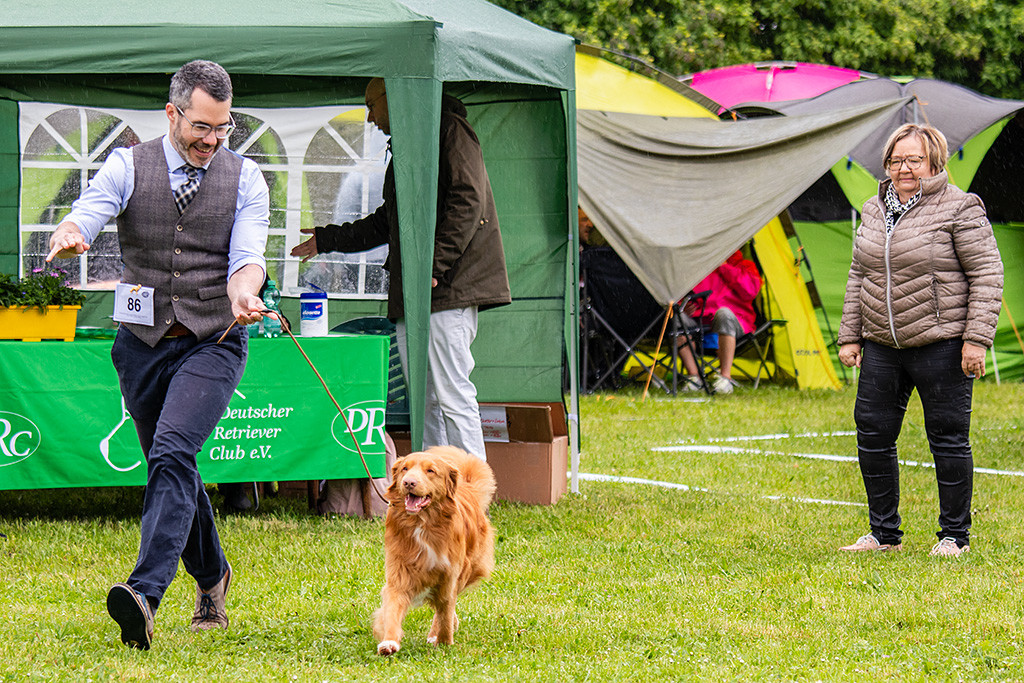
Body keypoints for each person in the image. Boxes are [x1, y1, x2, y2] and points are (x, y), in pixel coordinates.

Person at [46, 60, 271, 648]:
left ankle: (145, 593)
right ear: (172, 113)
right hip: (142, 344)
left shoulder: (246, 178)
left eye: (223, 127)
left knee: (174, 451)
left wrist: (245, 292)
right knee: (172, 466)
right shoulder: (128, 164)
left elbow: (246, 256)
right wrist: (73, 230)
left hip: (213, 340)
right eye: (202, 126)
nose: (212, 140)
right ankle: (214, 576)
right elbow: (92, 208)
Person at [291, 78, 511, 461]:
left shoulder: (449, 128)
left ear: (393, 99)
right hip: (417, 288)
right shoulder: (411, 141)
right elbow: (386, 222)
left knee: (451, 394)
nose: (370, 117)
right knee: (424, 399)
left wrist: (433, 265)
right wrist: (327, 239)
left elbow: (468, 200)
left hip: (449, 287)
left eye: (372, 105)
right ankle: (434, 493)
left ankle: (473, 498)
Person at [836, 123, 1003, 557]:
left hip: (942, 343)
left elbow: (987, 274)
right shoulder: (872, 209)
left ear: (934, 163)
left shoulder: (962, 208)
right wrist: (850, 335)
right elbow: (860, 275)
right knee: (872, 434)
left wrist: (976, 340)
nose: (904, 168)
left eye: (914, 159)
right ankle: (884, 535)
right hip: (881, 346)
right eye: (896, 159)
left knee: (947, 438)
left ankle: (954, 537)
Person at [676, 250, 762, 394]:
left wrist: (724, 266)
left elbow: (750, 291)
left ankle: (725, 378)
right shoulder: (698, 266)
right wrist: (683, 305)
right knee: (677, 317)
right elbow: (680, 293)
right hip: (701, 320)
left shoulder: (745, 266)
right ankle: (694, 378)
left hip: (735, 321)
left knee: (724, 314)